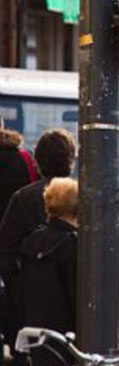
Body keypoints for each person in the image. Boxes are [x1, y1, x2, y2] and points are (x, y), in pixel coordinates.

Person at [0, 129, 70, 348]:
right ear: (71, 160)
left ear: (38, 160)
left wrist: (18, 288)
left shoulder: (23, 198)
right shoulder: (83, 195)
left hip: (31, 301)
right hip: (70, 302)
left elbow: (6, 249)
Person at [16, 178, 78, 366]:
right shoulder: (73, 244)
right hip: (65, 333)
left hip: (37, 328)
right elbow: (76, 293)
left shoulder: (32, 240)